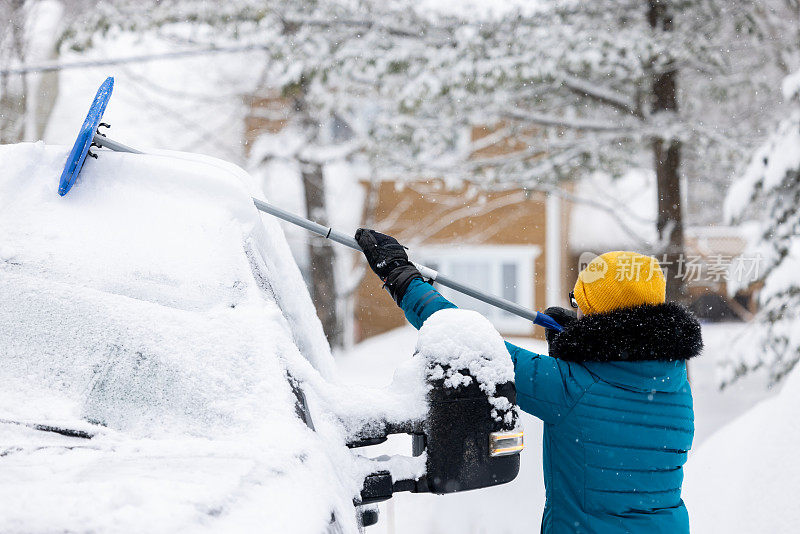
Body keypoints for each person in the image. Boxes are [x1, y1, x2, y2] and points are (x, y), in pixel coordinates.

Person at [355, 229, 703, 534]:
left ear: (597, 315)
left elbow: (468, 341)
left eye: (579, 302)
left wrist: (402, 278)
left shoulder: (571, 389)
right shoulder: (674, 382)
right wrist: (583, 342)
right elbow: (617, 394)